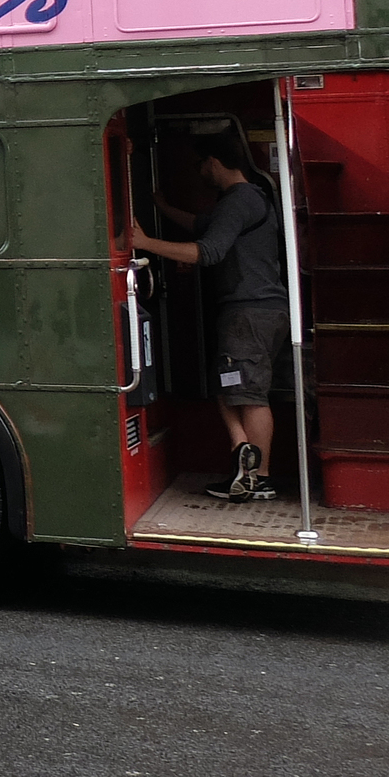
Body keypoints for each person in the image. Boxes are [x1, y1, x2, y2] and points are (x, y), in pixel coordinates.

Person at [131, 132, 291, 502]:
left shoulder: (239, 201)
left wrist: (145, 244)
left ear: (214, 162)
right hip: (262, 311)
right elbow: (201, 226)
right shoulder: (247, 200)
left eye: (201, 164)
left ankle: (259, 477)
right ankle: (244, 457)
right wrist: (162, 207)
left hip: (248, 312)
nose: (201, 172)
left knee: (248, 393)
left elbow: (208, 251)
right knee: (230, 384)